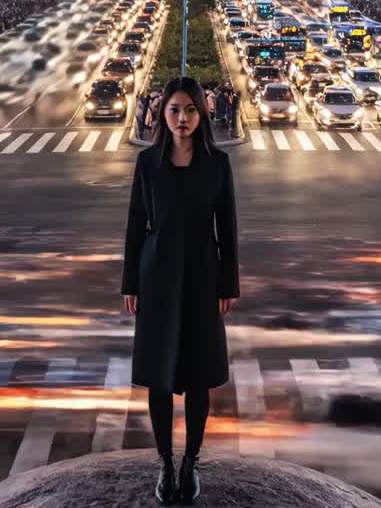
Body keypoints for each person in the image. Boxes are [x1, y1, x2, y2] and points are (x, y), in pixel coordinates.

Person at [121, 76, 240, 506]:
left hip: (203, 276)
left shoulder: (217, 163)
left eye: (190, 110)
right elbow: (136, 225)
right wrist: (130, 281)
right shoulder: (149, 163)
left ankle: (190, 460)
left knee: (198, 374)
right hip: (156, 275)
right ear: (162, 113)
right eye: (174, 109)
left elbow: (226, 227)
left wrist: (229, 283)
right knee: (157, 373)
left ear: (201, 113)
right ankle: (164, 461)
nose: (182, 118)